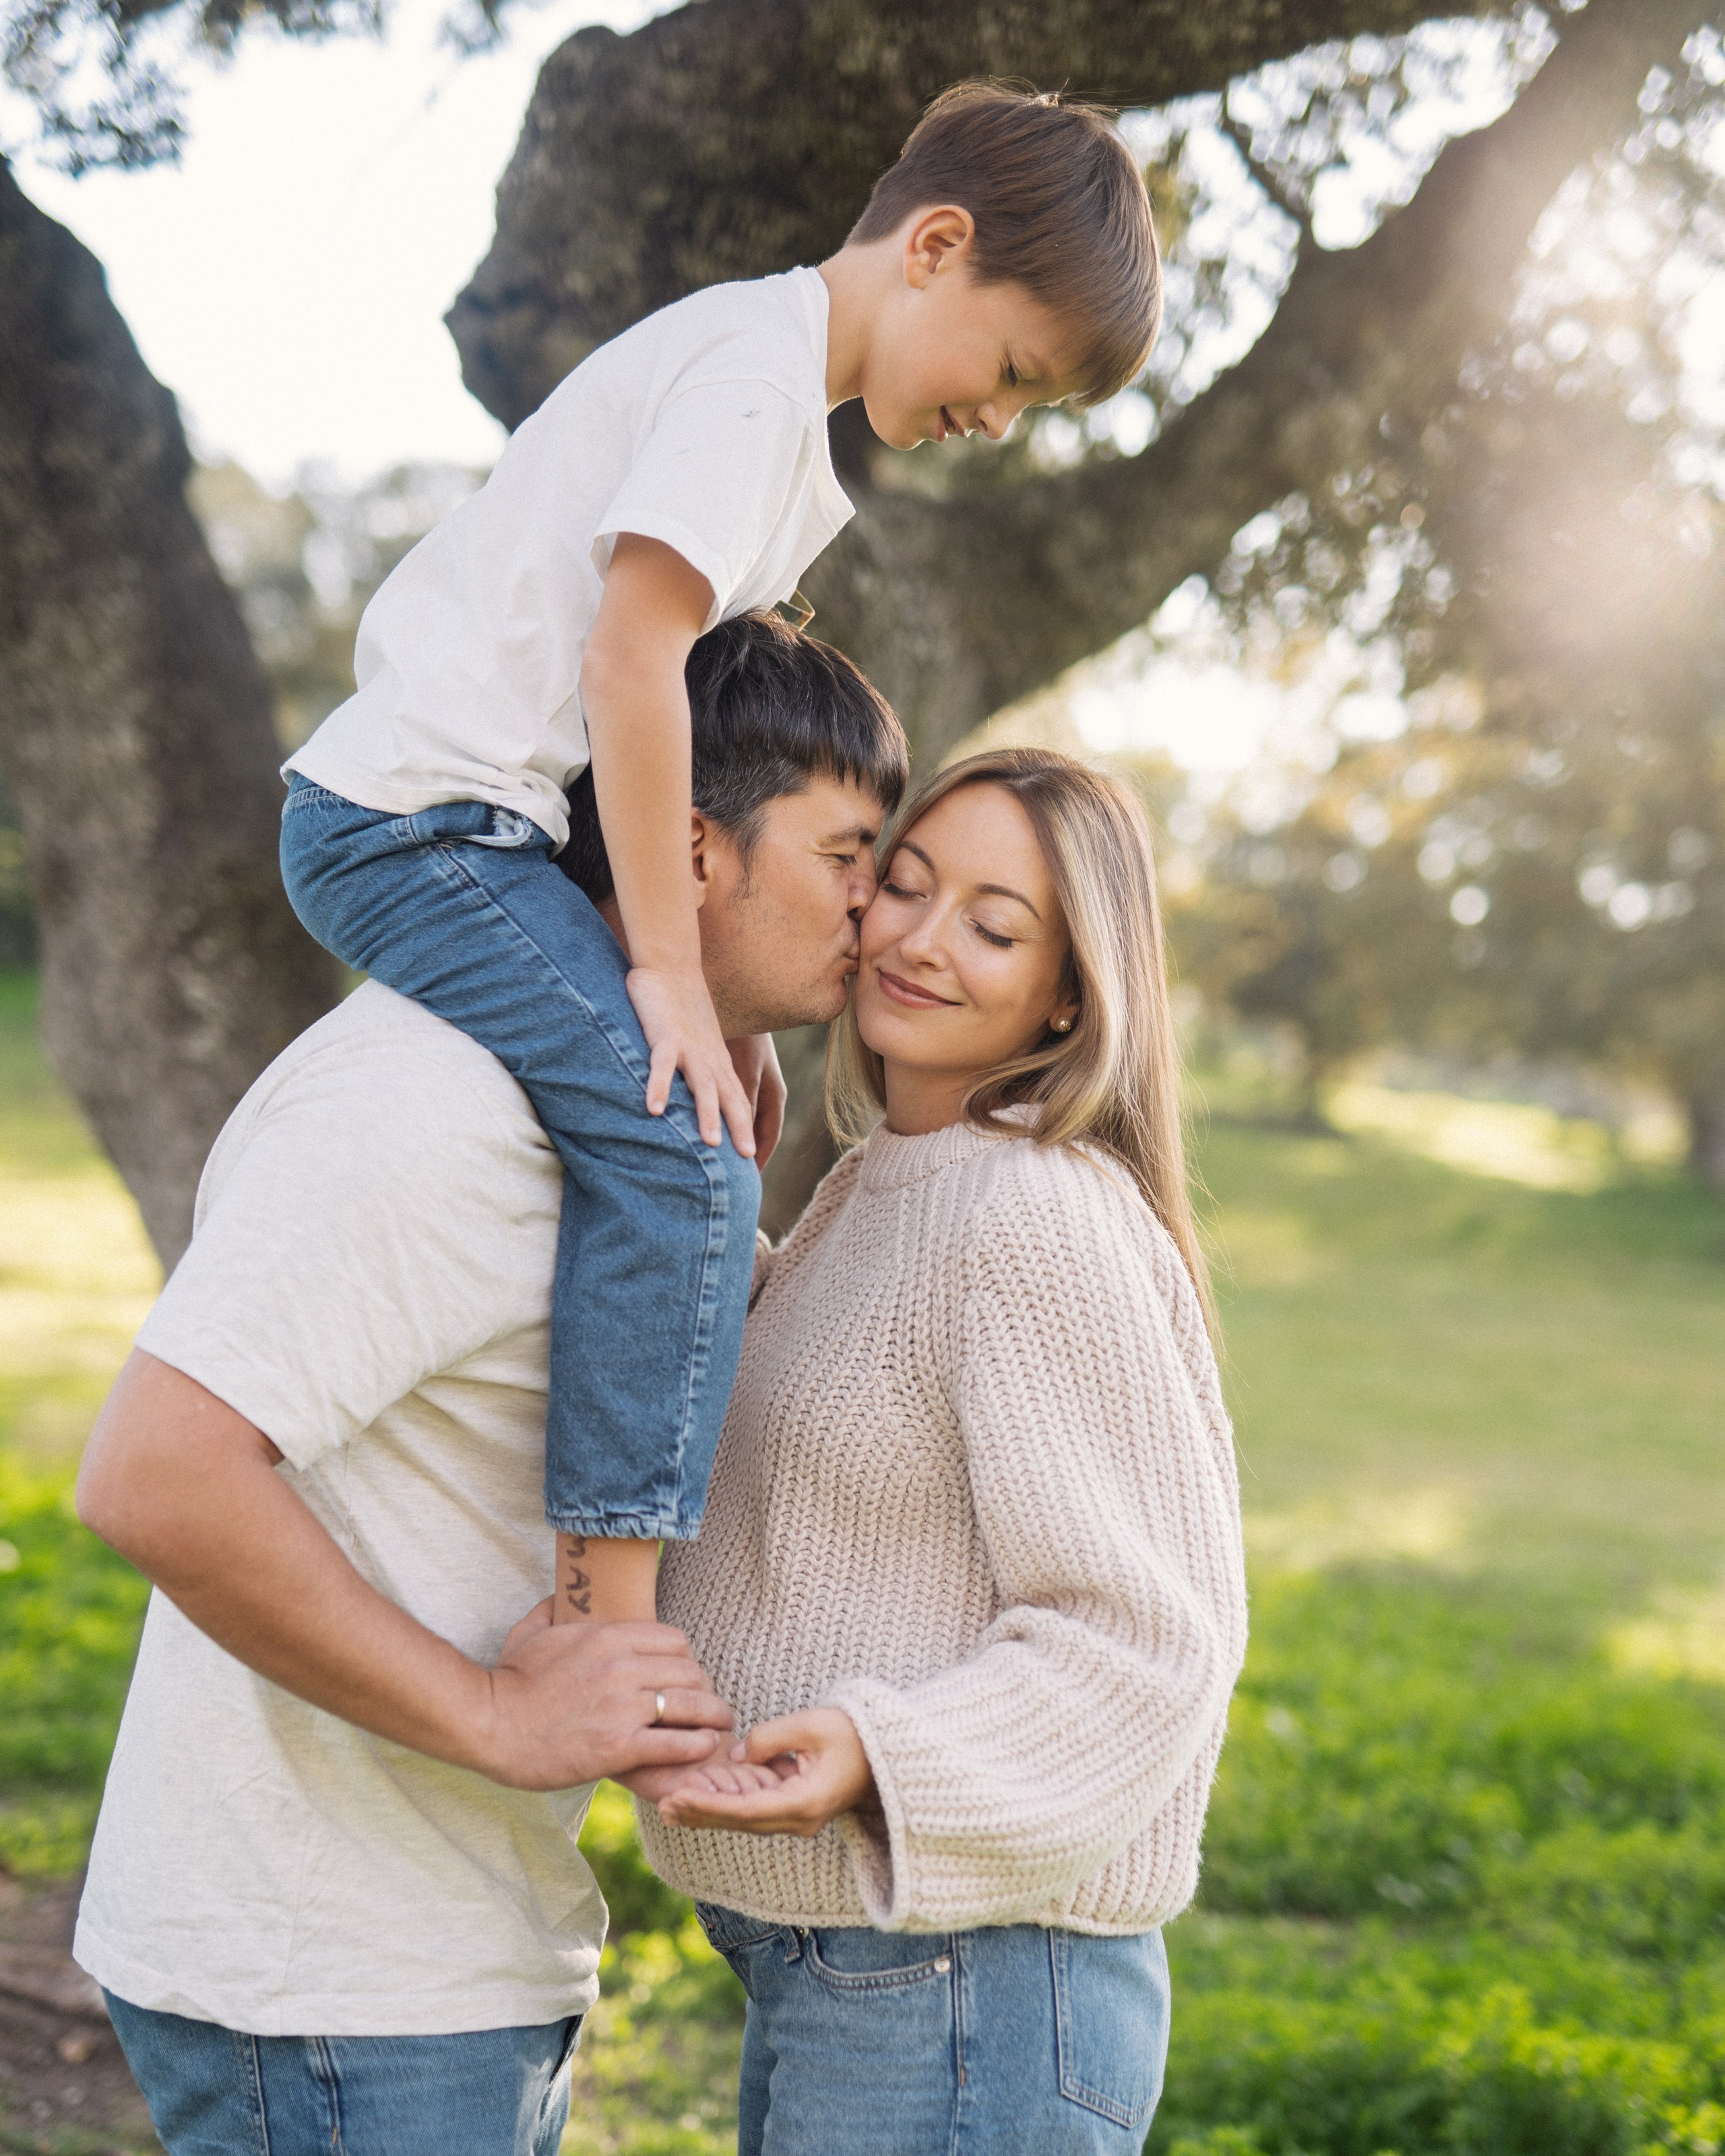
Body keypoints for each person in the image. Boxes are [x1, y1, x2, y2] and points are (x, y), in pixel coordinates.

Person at [277, 85, 1163, 1635]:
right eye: (1010, 371)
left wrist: (727, 1014)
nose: (995, 422)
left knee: (696, 1110)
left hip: (476, 825)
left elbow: (687, 705)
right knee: (678, 1148)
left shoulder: (768, 402)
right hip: (412, 825)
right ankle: (613, 1621)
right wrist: (671, 985)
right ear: (934, 248)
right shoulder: (750, 386)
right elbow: (633, 666)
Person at [71, 615, 909, 2156]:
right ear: (688, 847)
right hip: (332, 1983)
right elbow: (155, 1473)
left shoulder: (632, 1130)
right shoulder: (435, 1100)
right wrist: (491, 1716)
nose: (881, 905)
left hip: (442, 1950)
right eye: (850, 850)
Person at [638, 748, 1249, 2155]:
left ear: (1070, 990)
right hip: (853, 1965)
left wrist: (873, 1747)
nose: (918, 938)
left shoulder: (1029, 1214)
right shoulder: (885, 1183)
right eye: (901, 885)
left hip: (968, 1982)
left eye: (993, 923)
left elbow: (1145, 1637)